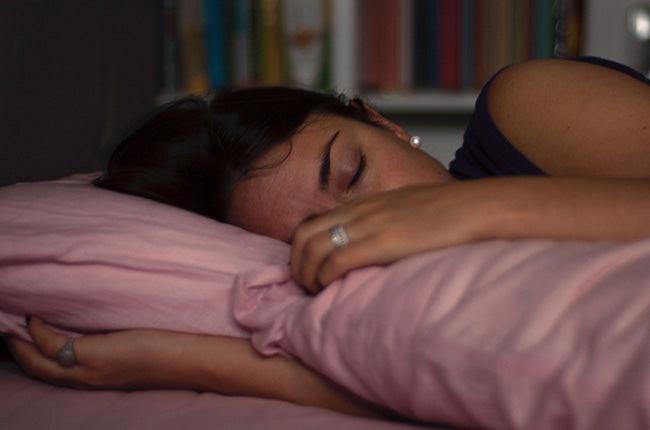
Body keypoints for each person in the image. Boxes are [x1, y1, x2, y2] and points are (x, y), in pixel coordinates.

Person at [5, 57, 650, 419]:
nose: (368, 226)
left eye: (353, 171)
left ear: (383, 124)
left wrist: (478, 211)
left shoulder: (526, 108)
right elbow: (441, 391)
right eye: (324, 234)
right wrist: (179, 360)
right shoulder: (412, 304)